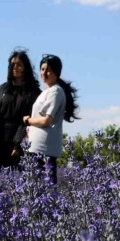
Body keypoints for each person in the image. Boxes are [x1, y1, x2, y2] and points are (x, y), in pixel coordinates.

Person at [0, 48, 42, 171]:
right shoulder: (1, 90)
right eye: (12, 64)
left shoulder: (33, 92)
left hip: (21, 141)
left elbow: (31, 119)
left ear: (25, 67)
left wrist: (18, 144)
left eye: (19, 64)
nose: (15, 67)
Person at [23, 54, 79, 184]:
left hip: (44, 148)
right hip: (35, 146)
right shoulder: (46, 92)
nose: (45, 73)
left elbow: (46, 120)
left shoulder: (56, 92)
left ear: (57, 72)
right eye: (42, 69)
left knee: (46, 188)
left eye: (49, 70)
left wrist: (28, 120)